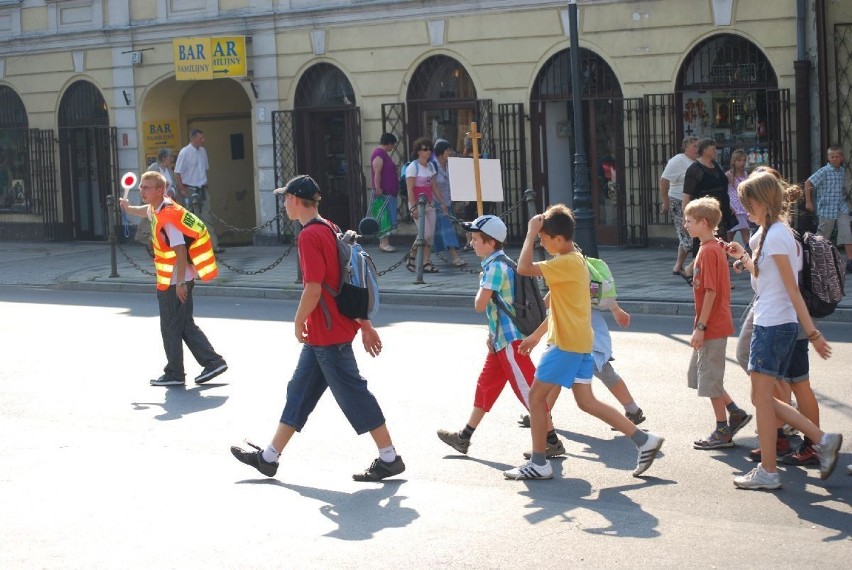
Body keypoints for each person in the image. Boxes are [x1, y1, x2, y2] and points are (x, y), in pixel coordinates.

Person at [230, 175, 405, 482]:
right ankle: (269, 458)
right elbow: (348, 281)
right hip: (328, 330)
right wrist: (364, 324)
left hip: (327, 332)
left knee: (354, 394)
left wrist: (298, 321)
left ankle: (389, 457)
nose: (283, 202)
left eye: (286, 198)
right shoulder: (330, 227)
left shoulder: (310, 236)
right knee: (298, 393)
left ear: (297, 200)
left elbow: (314, 288)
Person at [503, 205, 664, 480]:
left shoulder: (564, 263)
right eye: (539, 238)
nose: (541, 242)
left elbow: (523, 268)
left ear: (558, 238)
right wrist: (535, 337)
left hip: (565, 345)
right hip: (577, 343)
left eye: (544, 238)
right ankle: (643, 440)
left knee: (536, 397)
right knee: (586, 402)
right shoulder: (575, 261)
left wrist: (529, 233)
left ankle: (540, 463)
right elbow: (557, 309)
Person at [723, 171, 842, 490]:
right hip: (773, 320)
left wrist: (813, 334)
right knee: (761, 397)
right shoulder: (773, 232)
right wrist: (746, 261)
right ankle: (818, 441)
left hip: (774, 323)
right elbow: (767, 277)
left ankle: (775, 468)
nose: (744, 208)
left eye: (747, 202)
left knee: (762, 397)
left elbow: (791, 289)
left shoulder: (776, 235)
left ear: (762, 202)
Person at [435, 215, 565, 457]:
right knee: (486, 386)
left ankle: (552, 442)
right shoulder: (504, 262)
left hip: (510, 342)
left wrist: (482, 285)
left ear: (491, 242)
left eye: (475, 239)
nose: (471, 243)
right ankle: (464, 437)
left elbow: (480, 304)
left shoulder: (494, 268)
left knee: (530, 393)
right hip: (500, 340)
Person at [118, 171, 228, 387]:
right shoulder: (160, 208)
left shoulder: (168, 218)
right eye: (141, 187)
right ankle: (210, 363)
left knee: (170, 326)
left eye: (147, 187)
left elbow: (179, 250)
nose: (142, 190)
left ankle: (178, 372)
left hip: (175, 281)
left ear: (160, 190)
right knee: (183, 324)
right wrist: (129, 208)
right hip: (176, 278)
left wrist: (179, 283)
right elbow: (147, 211)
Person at [683, 196, 752, 449]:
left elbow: (710, 292)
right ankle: (735, 412)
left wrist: (700, 328)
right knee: (702, 377)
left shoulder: (709, 250)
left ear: (703, 222)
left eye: (689, 221)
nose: (685, 225)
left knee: (709, 380)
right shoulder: (711, 247)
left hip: (711, 325)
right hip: (711, 324)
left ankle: (722, 430)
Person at [518, 296, 648, 429]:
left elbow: (555, 308)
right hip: (583, 335)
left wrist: (535, 333)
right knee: (601, 375)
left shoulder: (569, 278)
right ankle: (633, 411)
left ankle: (541, 416)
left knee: (573, 388)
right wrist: (616, 309)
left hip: (576, 336)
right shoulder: (571, 278)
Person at [681, 138, 734, 283]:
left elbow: (722, 187)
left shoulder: (715, 165)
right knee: (713, 243)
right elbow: (687, 195)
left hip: (720, 209)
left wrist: (728, 205)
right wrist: (686, 217)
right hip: (704, 212)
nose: (715, 151)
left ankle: (693, 269)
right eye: (712, 148)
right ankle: (712, 276)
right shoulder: (694, 169)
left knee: (718, 243)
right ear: (704, 150)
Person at [174, 129, 224, 253]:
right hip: (190, 189)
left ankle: (213, 245)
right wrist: (182, 189)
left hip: (202, 188)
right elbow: (177, 172)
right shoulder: (184, 152)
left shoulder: (203, 151)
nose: (203, 140)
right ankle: (194, 247)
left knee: (207, 217)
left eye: (203, 138)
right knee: (193, 219)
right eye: (201, 138)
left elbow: (204, 169)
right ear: (193, 138)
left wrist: (205, 184)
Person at [804, 145, 852, 273]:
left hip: (841, 207)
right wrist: (809, 201)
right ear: (828, 158)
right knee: (823, 236)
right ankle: (816, 260)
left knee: (846, 231)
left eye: (837, 157)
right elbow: (808, 182)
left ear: (841, 158)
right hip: (827, 208)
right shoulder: (824, 171)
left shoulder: (841, 171)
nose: (835, 159)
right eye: (832, 157)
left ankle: (850, 260)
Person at [659, 136, 700, 278]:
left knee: (687, 235)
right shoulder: (678, 160)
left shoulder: (698, 162)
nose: (697, 149)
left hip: (694, 201)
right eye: (694, 146)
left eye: (698, 146)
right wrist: (666, 202)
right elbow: (664, 181)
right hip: (678, 200)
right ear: (686, 147)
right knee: (687, 235)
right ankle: (692, 268)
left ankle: (678, 266)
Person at [405, 137, 445, 273]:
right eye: (424, 149)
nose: (428, 152)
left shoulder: (431, 166)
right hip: (418, 204)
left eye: (429, 149)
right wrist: (413, 207)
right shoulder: (413, 167)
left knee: (430, 236)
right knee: (425, 233)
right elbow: (410, 188)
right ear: (418, 152)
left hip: (430, 204)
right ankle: (412, 256)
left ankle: (426, 262)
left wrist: (442, 202)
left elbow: (434, 186)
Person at [432, 139, 466, 266]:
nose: (450, 152)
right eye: (447, 150)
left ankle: (420, 258)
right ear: (441, 152)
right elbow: (433, 186)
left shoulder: (448, 165)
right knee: (448, 228)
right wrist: (441, 203)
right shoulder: (433, 165)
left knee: (436, 230)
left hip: (447, 201)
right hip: (437, 202)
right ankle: (455, 257)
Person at [371, 133, 399, 253]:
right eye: (393, 144)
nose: (393, 147)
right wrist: (378, 188)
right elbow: (377, 173)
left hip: (389, 192)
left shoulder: (384, 154)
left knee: (386, 216)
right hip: (384, 193)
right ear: (389, 143)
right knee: (384, 217)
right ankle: (384, 243)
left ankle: (384, 242)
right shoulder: (379, 154)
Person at [725, 148, 752, 252]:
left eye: (744, 160)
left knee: (745, 232)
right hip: (733, 207)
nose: (742, 163)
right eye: (739, 160)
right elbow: (724, 191)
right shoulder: (729, 175)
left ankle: (750, 255)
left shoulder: (746, 174)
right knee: (730, 234)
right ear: (734, 161)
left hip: (743, 206)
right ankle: (727, 257)